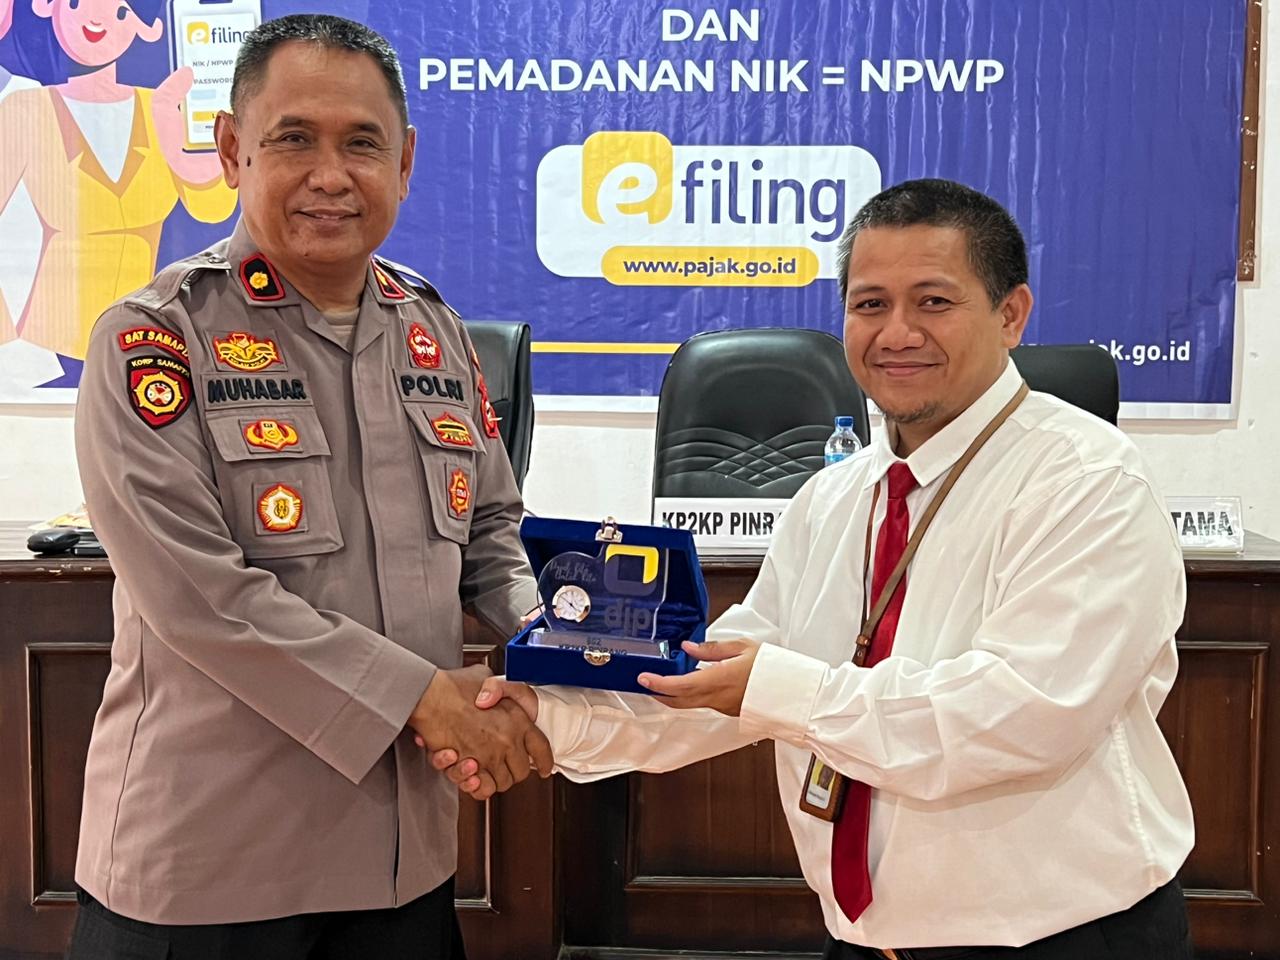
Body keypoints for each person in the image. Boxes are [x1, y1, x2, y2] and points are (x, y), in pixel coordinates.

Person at [435, 179, 1197, 959]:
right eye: (870, 304)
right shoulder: (833, 496)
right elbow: (721, 680)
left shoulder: (1088, 482)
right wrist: (541, 715)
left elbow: (1016, 717)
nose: (896, 332)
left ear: (1012, 314)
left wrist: (778, 690)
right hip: (865, 942)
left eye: (933, 301)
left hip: (1066, 940)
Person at [69, 14, 548, 959]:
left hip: (403, 870)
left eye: (362, 144)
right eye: (294, 139)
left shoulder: (435, 332)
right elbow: (202, 598)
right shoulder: (155, 338)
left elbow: (493, 533)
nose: (331, 175)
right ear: (231, 150)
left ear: (404, 163)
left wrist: (565, 645)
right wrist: (426, 700)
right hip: (208, 872)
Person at [0, 0, 236, 386]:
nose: (95, 19)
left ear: (148, 28)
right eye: (76, 4)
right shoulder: (27, 108)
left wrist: (189, 164)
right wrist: (9, 344)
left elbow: (212, 212)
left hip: (150, 341)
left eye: (121, 11)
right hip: (50, 349)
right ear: (49, 8)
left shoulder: (163, 107)